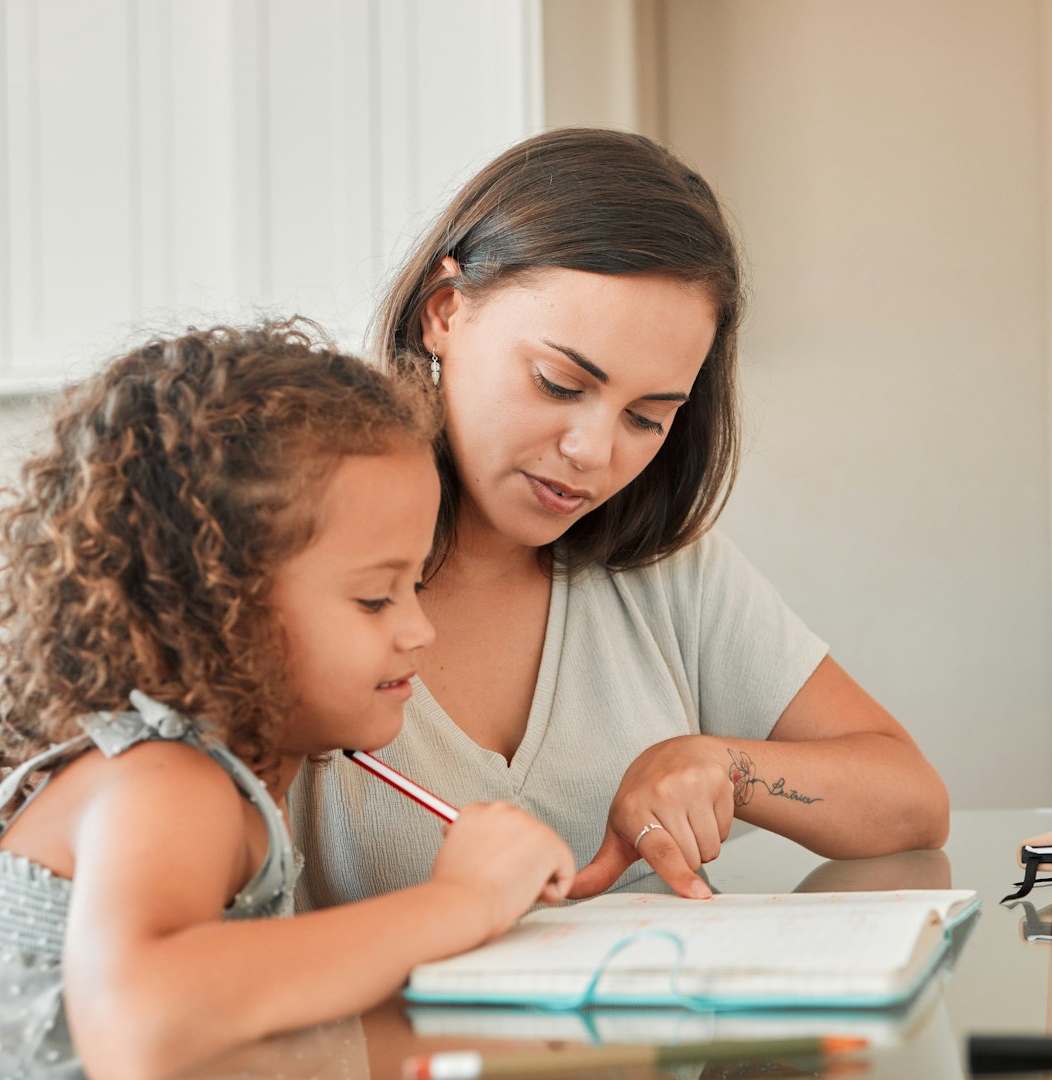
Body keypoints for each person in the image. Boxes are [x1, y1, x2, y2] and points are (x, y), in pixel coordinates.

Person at [0, 320, 578, 1080]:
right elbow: (146, 1029)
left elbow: (254, 1054)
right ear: (214, 611)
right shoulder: (165, 780)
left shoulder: (225, 781)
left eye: (416, 585)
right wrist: (462, 900)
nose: (419, 629)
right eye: (374, 598)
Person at [292, 127, 950, 906]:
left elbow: (912, 800)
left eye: (647, 416)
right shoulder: (296, 554)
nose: (592, 452)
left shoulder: (665, 572)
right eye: (559, 384)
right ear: (444, 312)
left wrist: (722, 767)